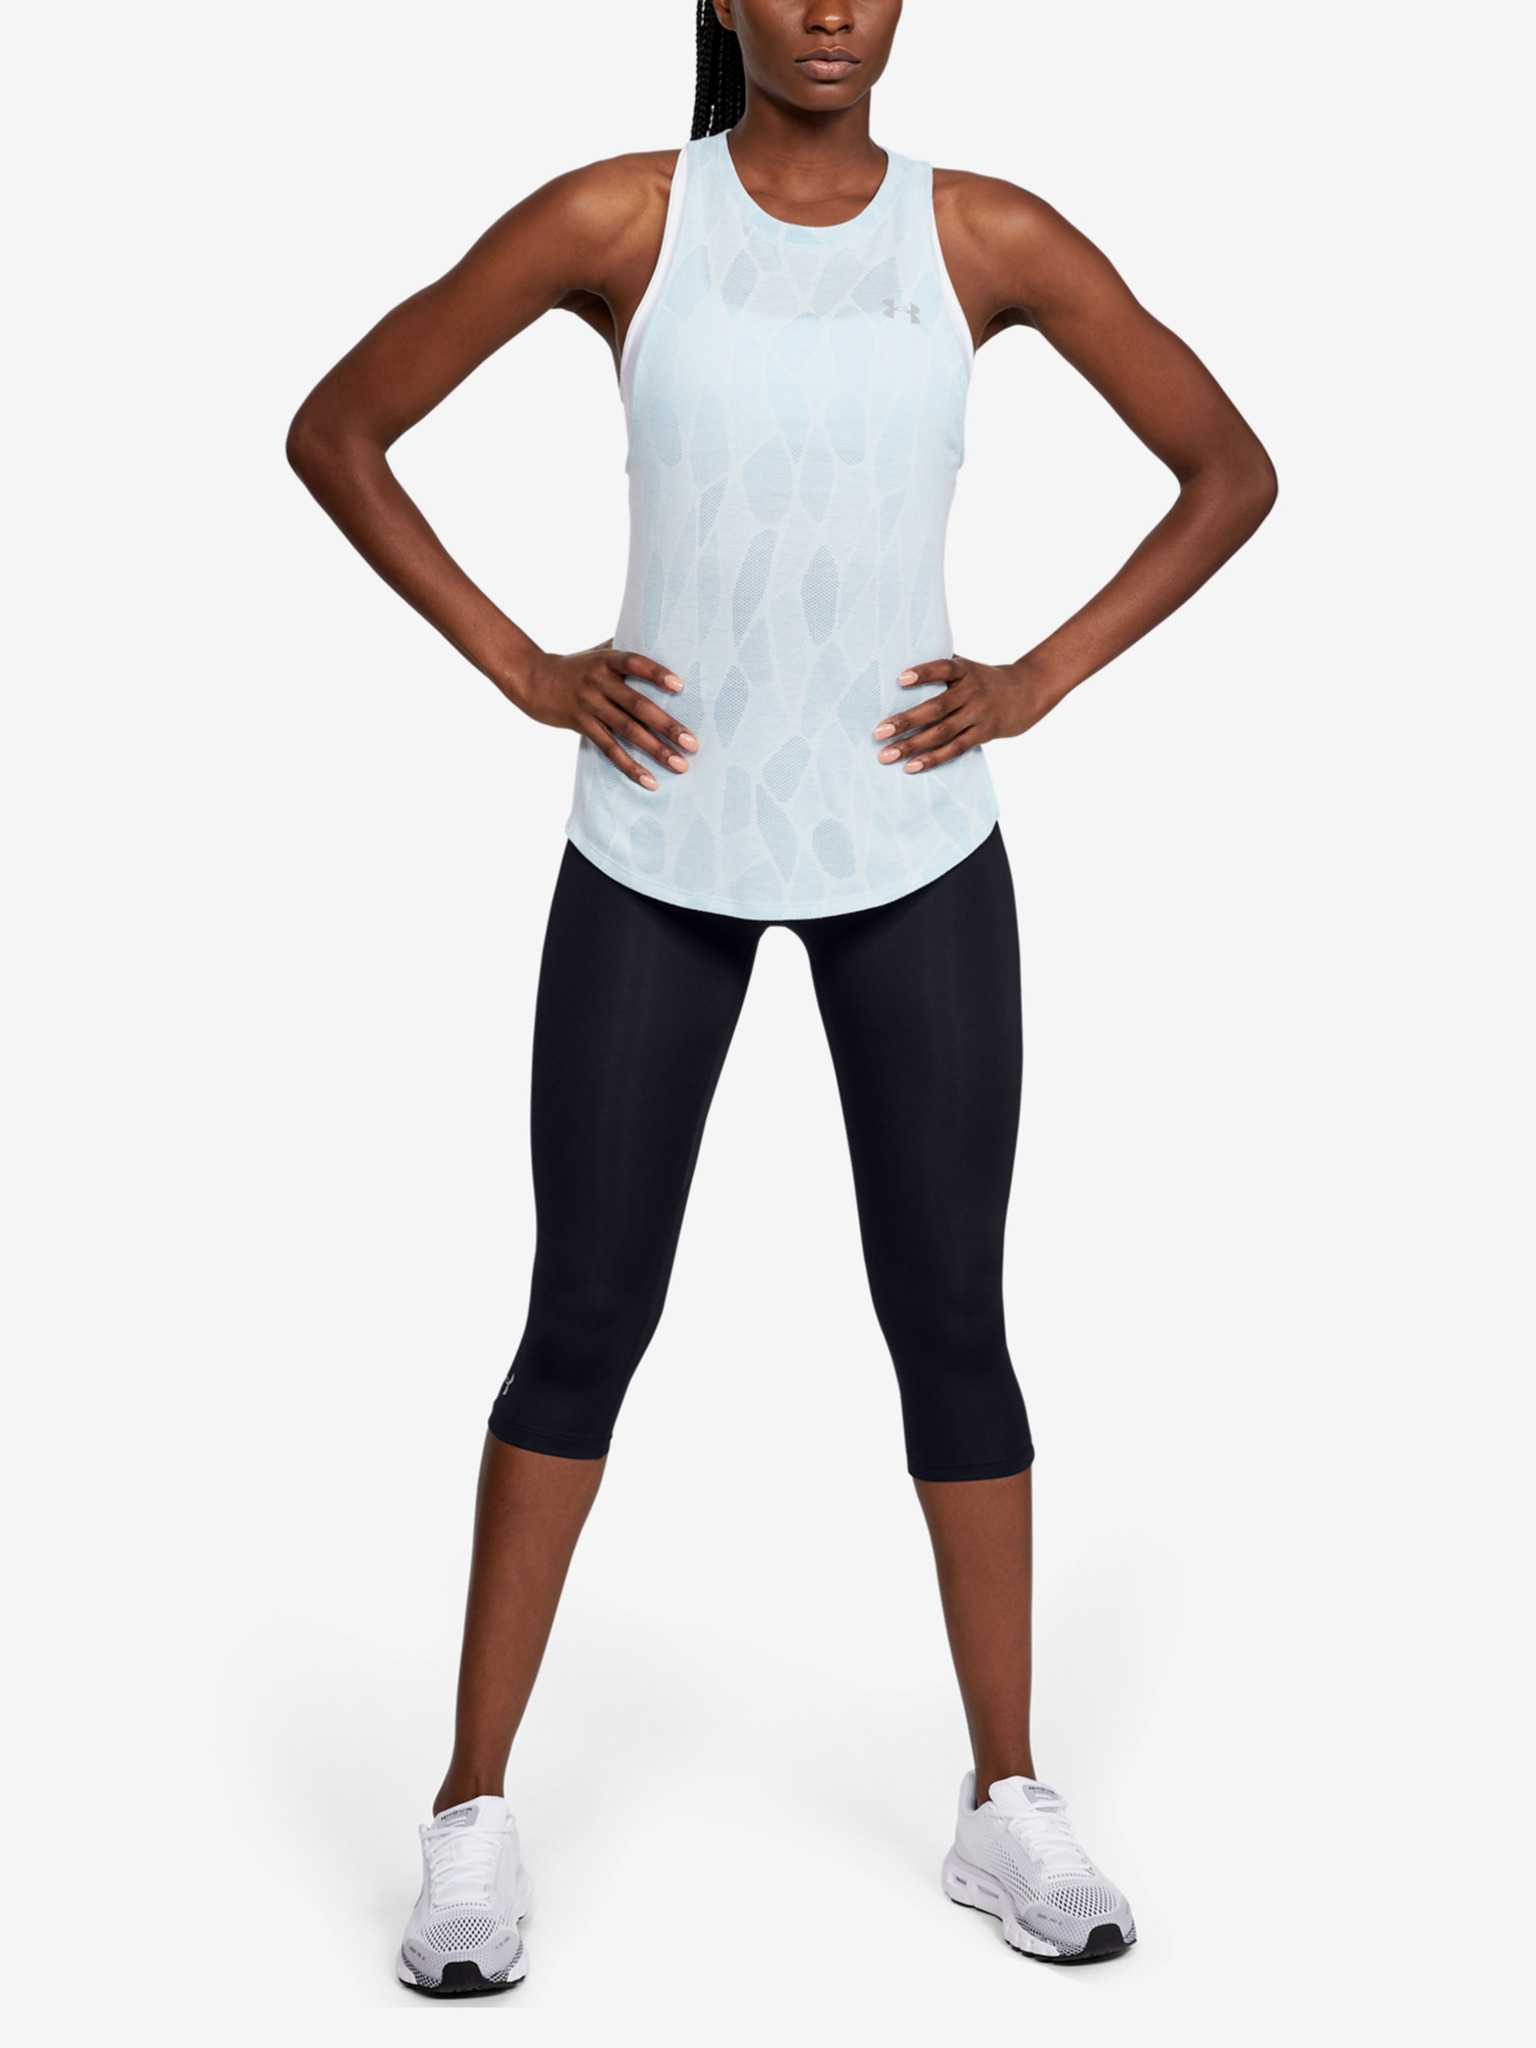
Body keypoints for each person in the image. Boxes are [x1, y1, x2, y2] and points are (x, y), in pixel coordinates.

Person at [287, 0, 1276, 1996]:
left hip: (914, 849)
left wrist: (1041, 674)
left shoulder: (983, 237)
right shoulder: (617, 218)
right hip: (659, 844)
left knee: (951, 1319)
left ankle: (1006, 1795)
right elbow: (340, 428)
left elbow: (1228, 469)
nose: (834, 8)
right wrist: (522, 662)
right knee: (584, 1318)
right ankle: (470, 1813)